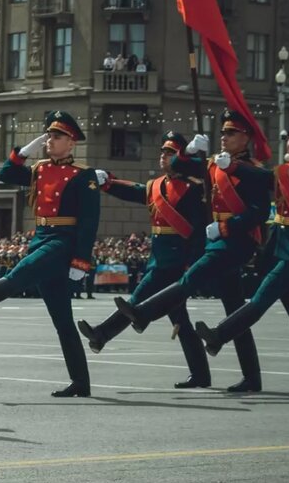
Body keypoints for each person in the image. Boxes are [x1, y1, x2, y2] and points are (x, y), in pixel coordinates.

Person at [0, 111, 100, 397]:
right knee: (62, 320)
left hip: (62, 242)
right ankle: (81, 382)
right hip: (41, 239)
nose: (50, 141)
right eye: (49, 135)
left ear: (72, 143)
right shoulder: (39, 168)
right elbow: (6, 174)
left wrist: (81, 259)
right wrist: (24, 152)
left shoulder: (83, 175)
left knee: (17, 276)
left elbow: (89, 220)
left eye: (57, 136)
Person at [114, 109, 272, 392]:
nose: (224, 137)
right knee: (235, 310)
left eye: (231, 133)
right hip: (218, 241)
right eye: (222, 132)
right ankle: (252, 377)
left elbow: (258, 213)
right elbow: (180, 166)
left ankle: (143, 313)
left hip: (238, 241)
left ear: (245, 138)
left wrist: (226, 227)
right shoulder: (213, 164)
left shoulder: (255, 171)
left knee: (190, 279)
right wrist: (189, 151)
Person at [195, 116, 289, 396]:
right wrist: (230, 165)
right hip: (278, 249)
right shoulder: (282, 172)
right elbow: (257, 176)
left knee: (260, 300)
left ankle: (220, 335)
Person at [78, 132, 211, 388]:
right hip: (159, 259)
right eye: (162, 152)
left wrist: (191, 264)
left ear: (182, 157)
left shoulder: (194, 190)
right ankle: (201, 374)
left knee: (137, 303)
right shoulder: (156, 186)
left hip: (177, 262)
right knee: (177, 320)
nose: (164, 157)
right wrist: (108, 183)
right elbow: (134, 192)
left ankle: (102, 334)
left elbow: (197, 230)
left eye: (170, 152)